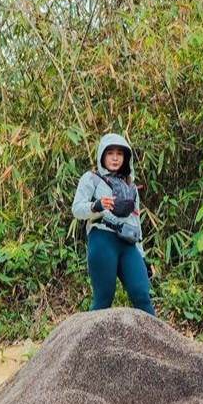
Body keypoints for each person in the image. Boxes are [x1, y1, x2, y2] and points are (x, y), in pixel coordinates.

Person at [71, 133, 155, 315]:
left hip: (127, 243)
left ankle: (161, 343)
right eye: (110, 153)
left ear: (126, 158)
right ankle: (87, 343)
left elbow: (135, 223)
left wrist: (142, 256)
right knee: (103, 298)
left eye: (120, 153)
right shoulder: (91, 178)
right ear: (102, 155)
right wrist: (96, 205)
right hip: (102, 239)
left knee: (142, 295)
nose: (115, 158)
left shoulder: (130, 186)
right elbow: (77, 209)